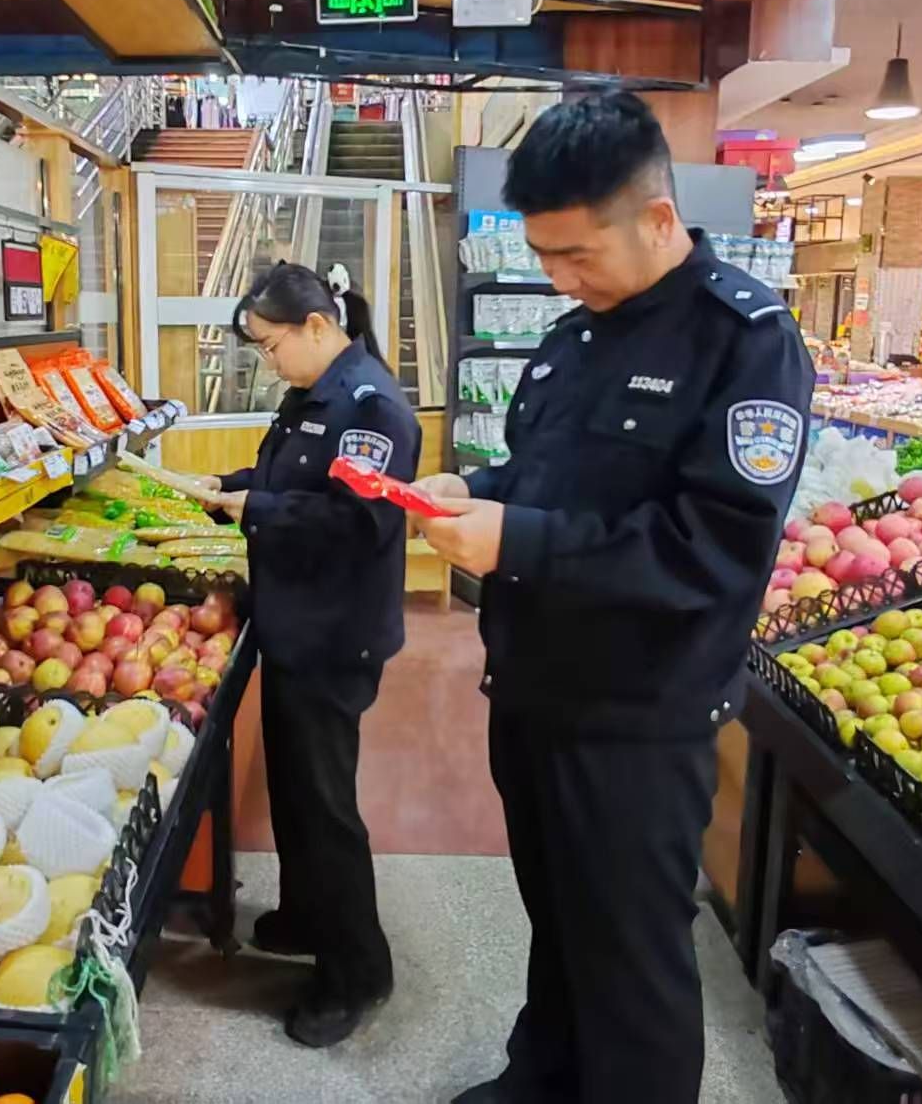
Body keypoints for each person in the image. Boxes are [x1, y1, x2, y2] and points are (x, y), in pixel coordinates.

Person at [415, 90, 815, 1103]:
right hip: (535, 691)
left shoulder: (744, 341)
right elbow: (542, 481)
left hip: (640, 717)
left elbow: (710, 552)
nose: (557, 277)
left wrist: (519, 536)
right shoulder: (569, 336)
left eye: (576, 254)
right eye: (543, 255)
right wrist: (479, 493)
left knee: (631, 954)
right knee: (557, 915)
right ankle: (542, 1076)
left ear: (657, 219)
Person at [202, 261, 420, 1048]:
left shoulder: (371, 406)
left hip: (334, 634)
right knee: (296, 786)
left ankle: (357, 970)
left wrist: (254, 506)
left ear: (317, 327)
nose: (268, 361)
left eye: (269, 344)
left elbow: (354, 520)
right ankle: (305, 912)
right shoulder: (314, 393)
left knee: (325, 805)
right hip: (298, 622)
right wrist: (228, 485)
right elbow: (286, 477)